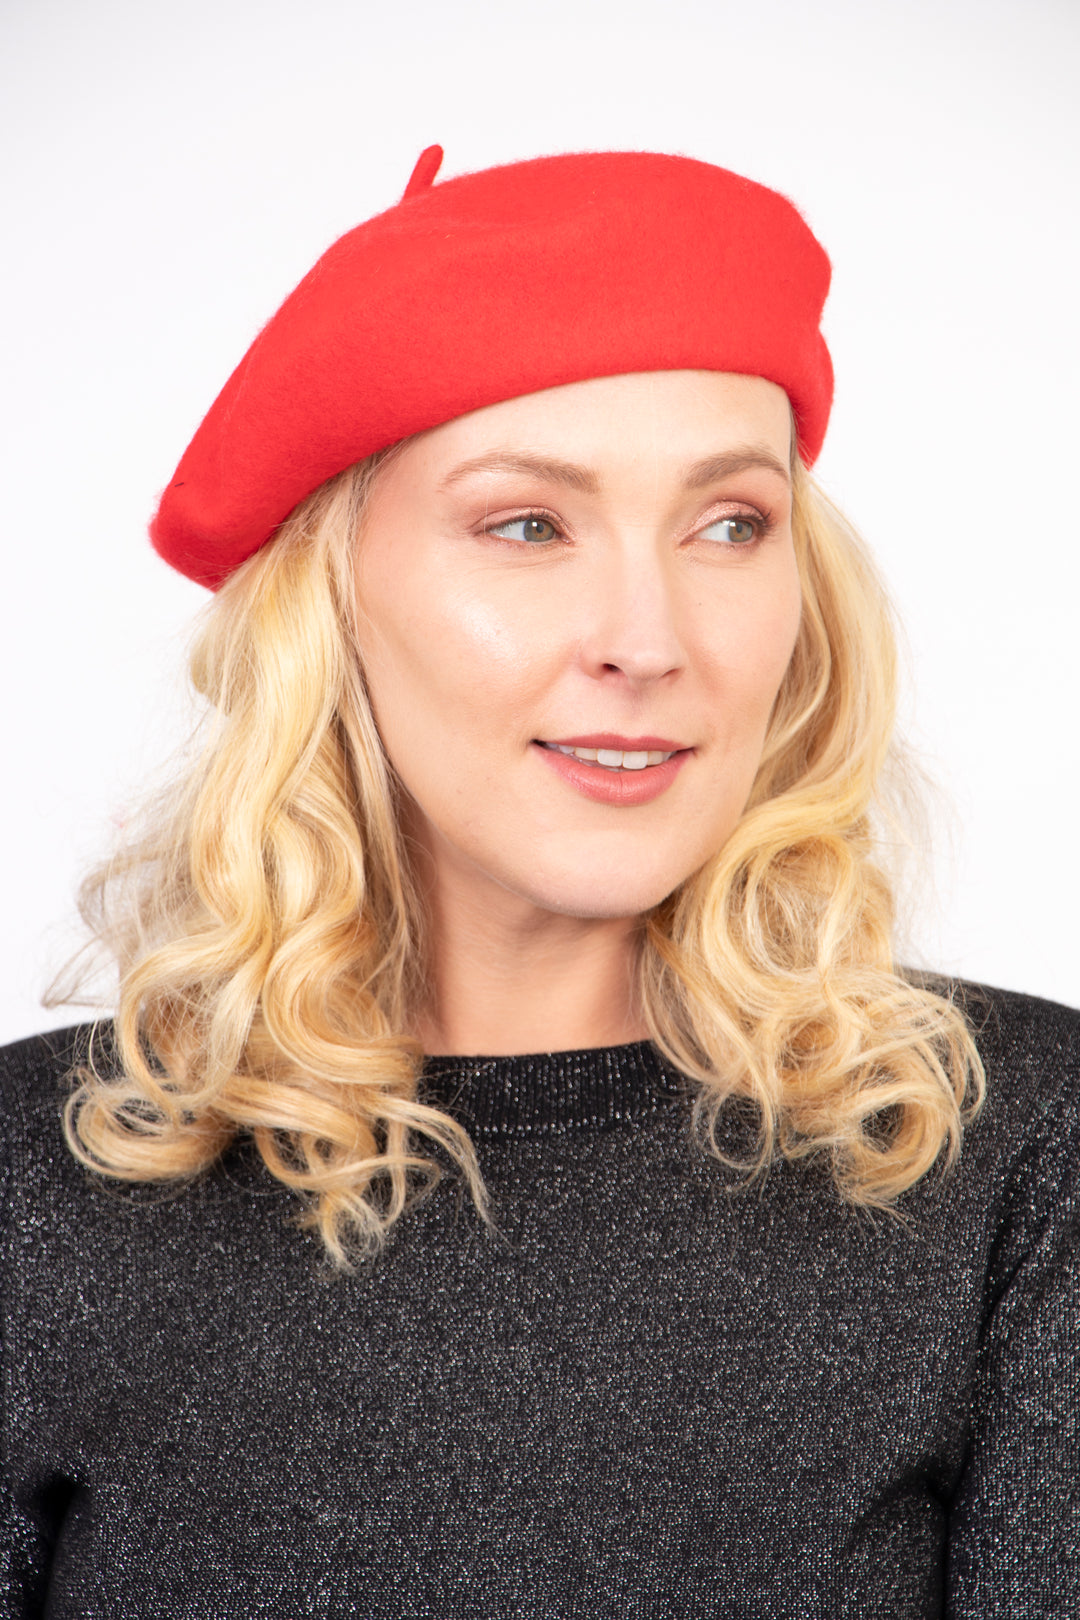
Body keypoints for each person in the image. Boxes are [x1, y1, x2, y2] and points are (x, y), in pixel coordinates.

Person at [1, 145, 1076, 1619]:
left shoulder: (1017, 1152)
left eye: (729, 525)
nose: (649, 637)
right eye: (527, 525)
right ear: (333, 598)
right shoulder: (33, 1182)